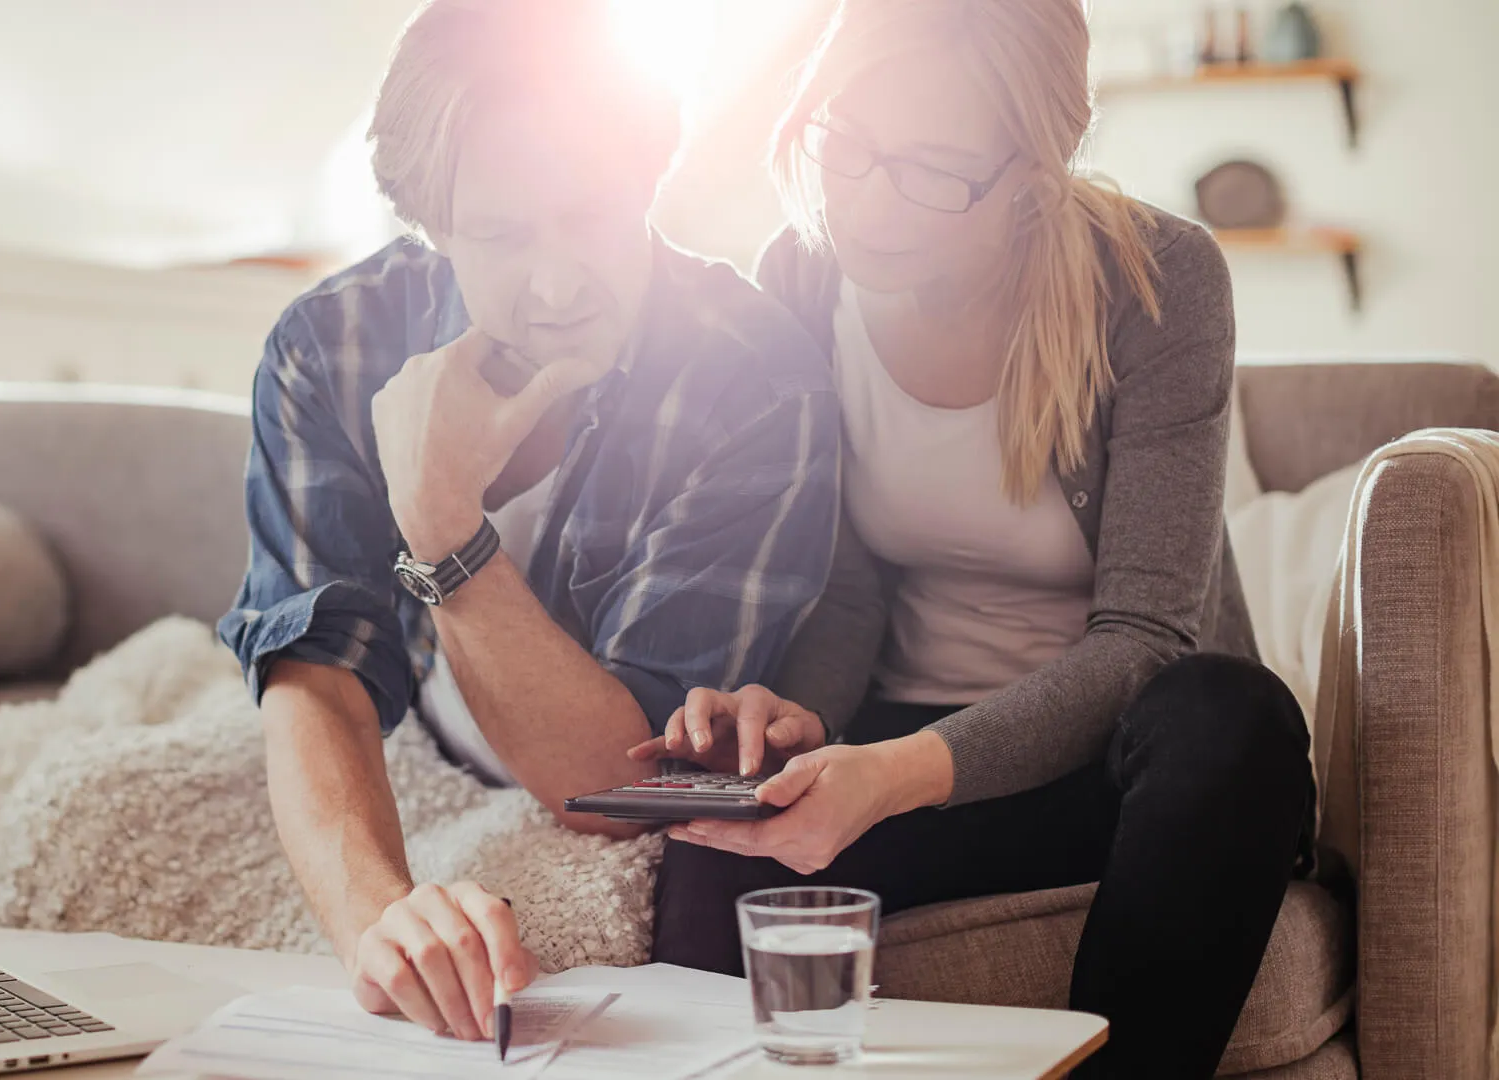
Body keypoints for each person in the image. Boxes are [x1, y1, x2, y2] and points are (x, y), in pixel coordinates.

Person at [633, 1, 1313, 1077]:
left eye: (931, 170)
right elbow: (848, 590)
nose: (867, 199)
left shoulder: (1159, 280)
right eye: (846, 144)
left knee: (1235, 721)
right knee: (721, 835)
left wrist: (894, 774)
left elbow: (1144, 637)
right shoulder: (805, 277)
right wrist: (797, 719)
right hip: (892, 745)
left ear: (1033, 179)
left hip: (1116, 774)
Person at [219, 0, 841, 1047]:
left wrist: (438, 516)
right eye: (503, 236)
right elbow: (315, 665)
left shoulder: (757, 381)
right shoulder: (331, 344)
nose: (557, 282)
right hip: (409, 734)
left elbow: (615, 784)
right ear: (433, 226)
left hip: (566, 763)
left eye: (590, 214)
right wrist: (382, 920)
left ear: (647, 178)